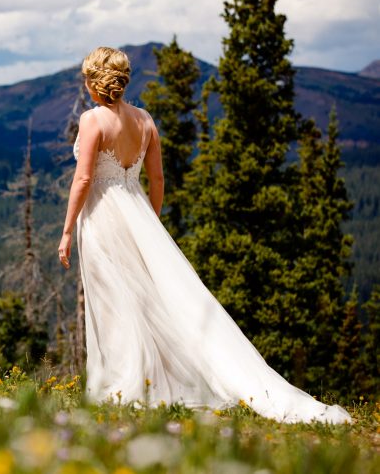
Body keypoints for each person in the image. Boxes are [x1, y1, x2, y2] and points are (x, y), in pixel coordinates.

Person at [57, 47, 350, 423]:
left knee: (114, 302)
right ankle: (139, 383)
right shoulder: (145, 120)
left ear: (95, 81)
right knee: (145, 302)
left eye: (86, 77)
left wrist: (67, 231)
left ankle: (122, 385)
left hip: (102, 219)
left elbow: (83, 179)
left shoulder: (93, 119)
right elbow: (158, 179)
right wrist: (150, 224)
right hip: (138, 215)